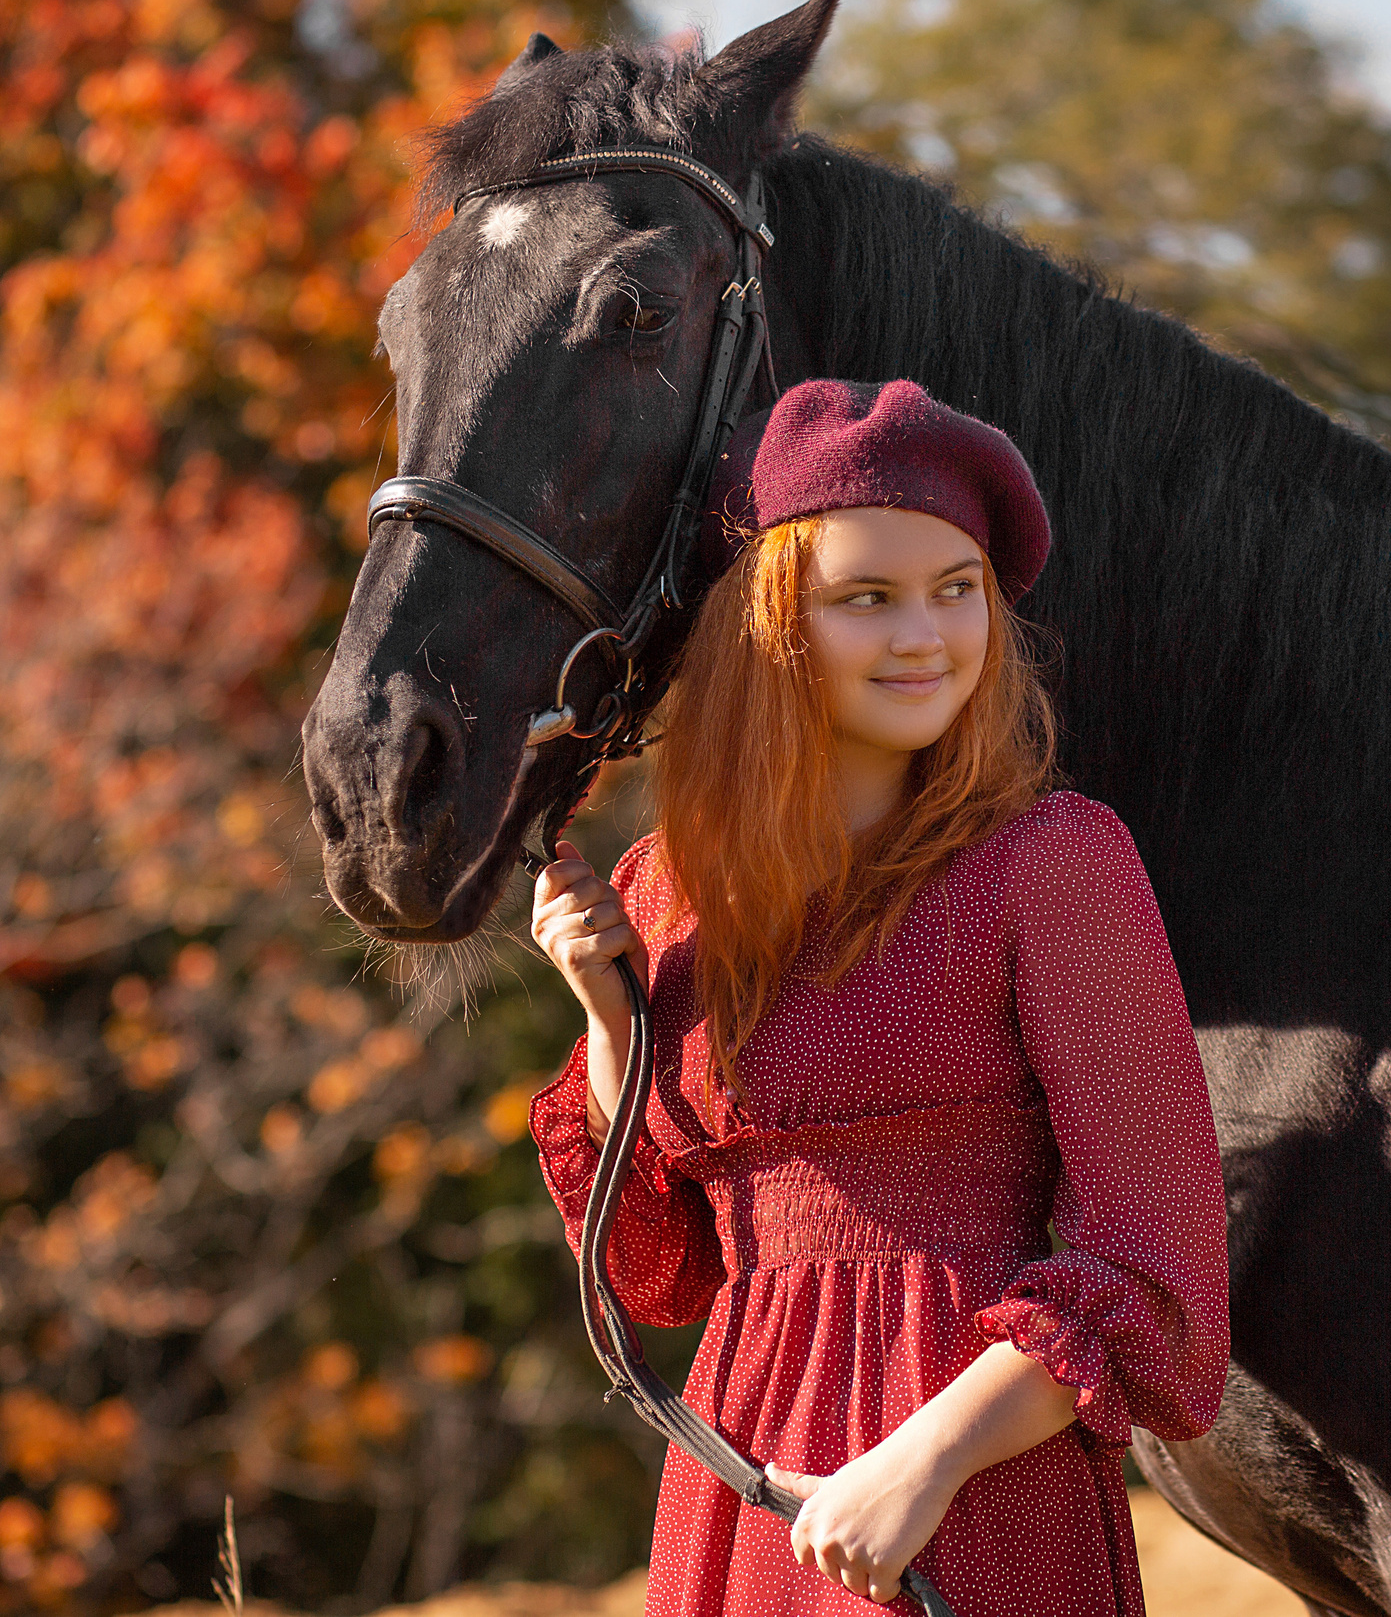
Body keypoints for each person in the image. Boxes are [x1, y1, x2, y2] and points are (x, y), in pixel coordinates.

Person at [527, 378, 1230, 1617]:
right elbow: (654, 1276)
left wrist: (925, 1460)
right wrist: (608, 1018)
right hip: (744, 1485)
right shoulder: (668, 891)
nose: (926, 636)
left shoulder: (1050, 862)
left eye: (956, 590)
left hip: (969, 1487)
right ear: (769, 626)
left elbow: (1157, 1271)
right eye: (868, 598)